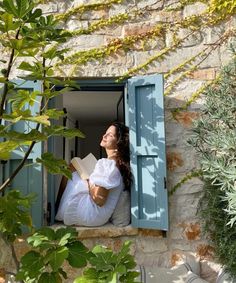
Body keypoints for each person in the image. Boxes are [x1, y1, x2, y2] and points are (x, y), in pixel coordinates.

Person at [55, 121, 132, 226]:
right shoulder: (117, 164)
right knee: (74, 167)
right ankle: (57, 207)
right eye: (105, 133)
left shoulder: (108, 164)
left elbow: (99, 199)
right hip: (98, 217)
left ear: (119, 142)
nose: (104, 136)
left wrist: (88, 181)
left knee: (72, 167)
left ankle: (56, 207)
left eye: (110, 135)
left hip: (90, 214)